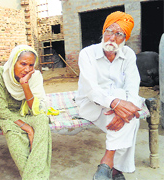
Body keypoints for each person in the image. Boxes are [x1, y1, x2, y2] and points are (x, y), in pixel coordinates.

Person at [75, 11, 141, 180]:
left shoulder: (129, 55)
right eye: (109, 32)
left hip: (116, 105)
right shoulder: (87, 54)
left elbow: (133, 87)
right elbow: (91, 90)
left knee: (132, 114)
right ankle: (116, 169)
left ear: (125, 38)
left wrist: (124, 107)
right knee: (129, 113)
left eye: (119, 34)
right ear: (103, 33)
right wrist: (116, 104)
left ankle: (107, 163)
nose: (112, 38)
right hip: (91, 104)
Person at [0, 45, 52, 179]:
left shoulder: (34, 77)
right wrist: (27, 128)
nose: (27, 69)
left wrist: (25, 84)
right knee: (16, 142)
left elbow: (35, 109)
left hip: (27, 114)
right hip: (8, 117)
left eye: (31, 65)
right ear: (13, 62)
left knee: (42, 120)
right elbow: (0, 109)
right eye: (23, 64)